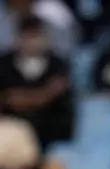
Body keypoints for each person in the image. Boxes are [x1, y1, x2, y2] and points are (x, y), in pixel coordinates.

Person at [0, 16, 71, 148]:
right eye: (28, 37)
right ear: (18, 38)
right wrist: (46, 93)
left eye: (36, 36)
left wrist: (22, 98)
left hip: (51, 135)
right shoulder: (3, 64)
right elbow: (9, 99)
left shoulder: (58, 65)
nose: (33, 42)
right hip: (10, 135)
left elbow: (63, 103)